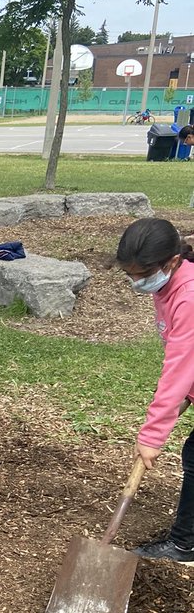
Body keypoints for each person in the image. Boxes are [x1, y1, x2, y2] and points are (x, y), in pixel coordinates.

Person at [115, 218, 194, 562]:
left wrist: (152, 436)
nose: (137, 282)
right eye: (130, 275)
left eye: (143, 274)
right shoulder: (168, 286)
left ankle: (184, 544)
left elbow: (179, 367)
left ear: (172, 261)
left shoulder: (190, 297)